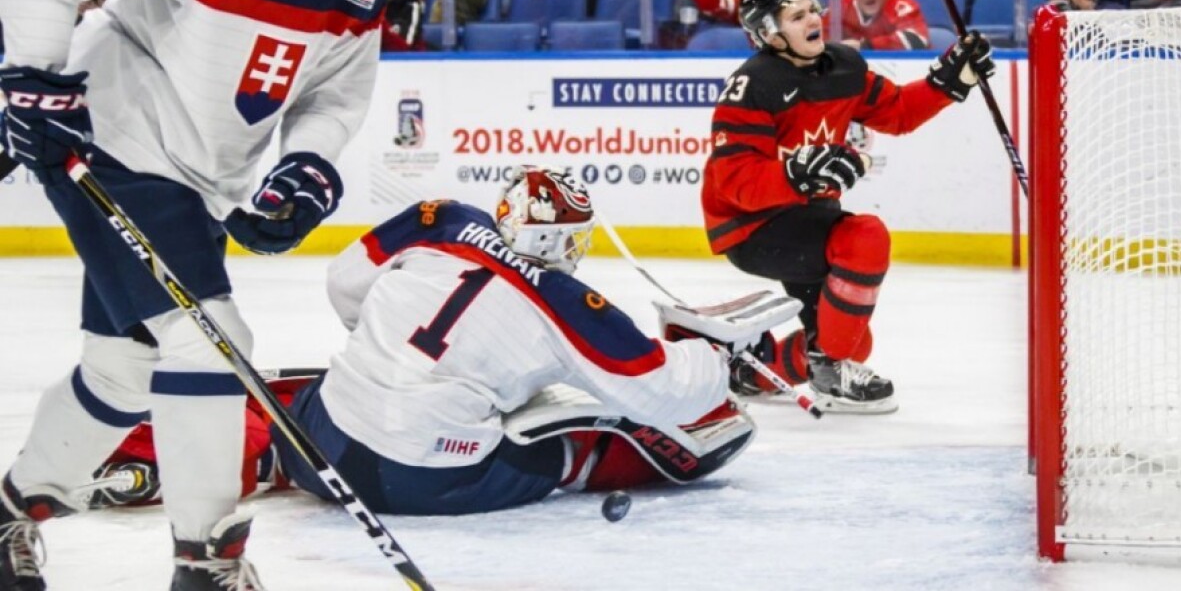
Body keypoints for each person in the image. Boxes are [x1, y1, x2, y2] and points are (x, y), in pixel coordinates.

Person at [0, 0, 424, 590]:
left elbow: (335, 92)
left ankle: (10, 514)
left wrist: (307, 166)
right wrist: (31, 83)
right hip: (114, 140)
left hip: (197, 179)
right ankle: (207, 561)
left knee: (122, 371)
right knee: (211, 338)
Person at [84, 166, 762, 518]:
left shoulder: (442, 219)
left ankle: (144, 461)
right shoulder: (570, 303)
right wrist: (714, 355)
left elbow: (346, 283)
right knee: (585, 441)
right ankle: (651, 464)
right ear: (561, 241)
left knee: (274, 395)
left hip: (330, 445)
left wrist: (385, 353)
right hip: (438, 482)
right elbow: (660, 387)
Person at [701, 0, 995, 413]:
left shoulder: (842, 67)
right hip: (755, 228)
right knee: (864, 237)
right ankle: (829, 369)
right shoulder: (752, 86)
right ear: (769, 33)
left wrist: (951, 79)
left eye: (812, 9)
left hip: (807, 216)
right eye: (796, 16)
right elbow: (735, 182)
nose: (813, 19)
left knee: (855, 338)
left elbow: (896, 112)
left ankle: (754, 370)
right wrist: (796, 173)